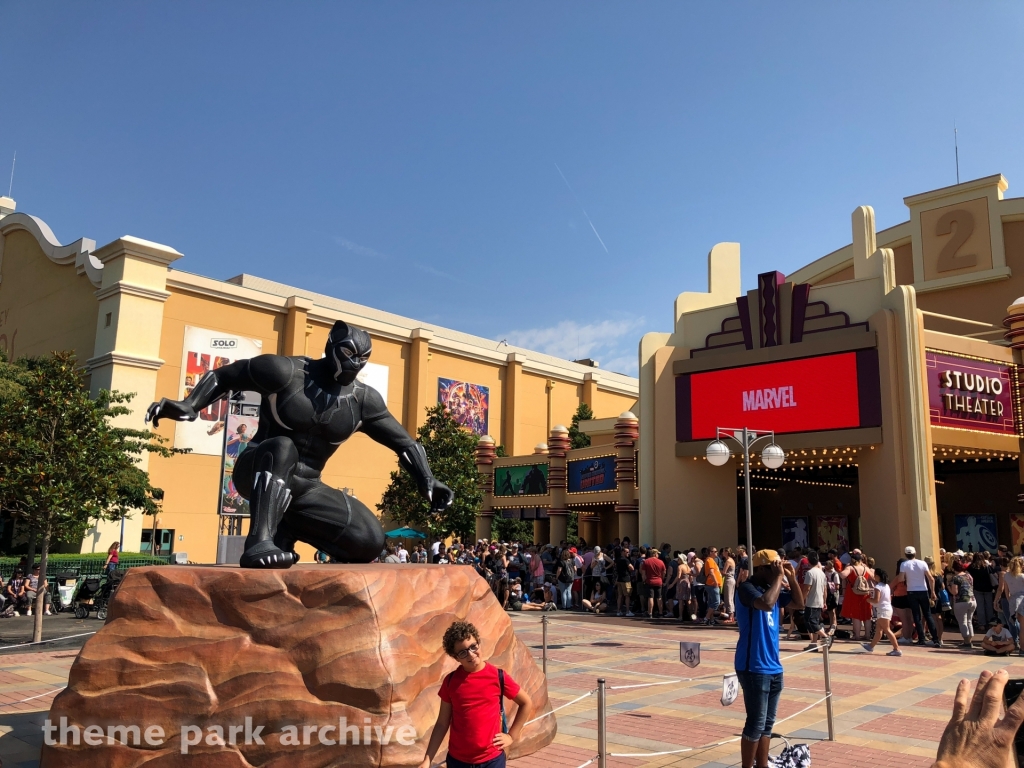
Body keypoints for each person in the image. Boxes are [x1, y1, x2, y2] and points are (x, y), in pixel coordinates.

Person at [419, 621, 533, 768]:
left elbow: (526, 703)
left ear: (479, 643)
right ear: (455, 657)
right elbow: (442, 723)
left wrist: (511, 736)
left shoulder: (498, 676)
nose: (471, 654)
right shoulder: (451, 681)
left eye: (473, 646)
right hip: (458, 761)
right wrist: (427, 759)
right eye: (463, 652)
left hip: (492, 760)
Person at [734, 549, 805, 768]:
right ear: (762, 568)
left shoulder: (770, 587)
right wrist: (778, 579)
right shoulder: (746, 588)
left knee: (767, 724)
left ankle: (762, 765)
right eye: (774, 566)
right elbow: (766, 603)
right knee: (755, 723)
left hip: (773, 665)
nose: (779, 570)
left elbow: (799, 603)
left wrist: (791, 578)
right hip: (753, 665)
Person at [896, 546, 940, 648]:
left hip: (911, 591)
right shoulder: (923, 563)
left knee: (916, 615)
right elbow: (931, 579)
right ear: (915, 553)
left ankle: (921, 639)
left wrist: (907, 577)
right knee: (928, 615)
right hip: (923, 591)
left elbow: (901, 579)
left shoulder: (904, 564)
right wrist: (932, 592)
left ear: (906, 554)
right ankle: (935, 639)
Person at [862, 569, 901, 656]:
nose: (874, 576)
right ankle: (870, 646)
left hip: (882, 610)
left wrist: (868, 600)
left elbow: (876, 600)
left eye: (875, 575)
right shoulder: (886, 586)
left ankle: (896, 649)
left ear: (878, 576)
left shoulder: (878, 587)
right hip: (886, 609)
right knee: (879, 630)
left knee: (886, 629)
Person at [839, 551, 874, 641]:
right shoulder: (865, 568)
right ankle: (867, 635)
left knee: (856, 615)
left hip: (853, 592)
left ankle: (857, 636)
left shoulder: (851, 568)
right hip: (865, 593)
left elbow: (842, 575)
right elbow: (873, 577)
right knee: (867, 615)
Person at [800, 551, 828, 651]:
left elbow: (807, 588)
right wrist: (824, 601)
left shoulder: (810, 573)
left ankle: (825, 636)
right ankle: (814, 644)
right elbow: (825, 589)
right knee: (815, 621)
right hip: (819, 601)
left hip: (812, 601)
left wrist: (802, 599)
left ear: (808, 561)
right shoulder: (822, 573)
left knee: (809, 622)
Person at [948, 560, 977, 649]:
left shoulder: (955, 578)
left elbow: (954, 592)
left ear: (954, 568)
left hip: (961, 601)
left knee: (962, 622)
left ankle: (967, 642)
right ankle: (969, 640)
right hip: (972, 600)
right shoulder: (969, 576)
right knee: (969, 621)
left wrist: (948, 587)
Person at [968, 552, 996, 630]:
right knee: (989, 606)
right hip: (988, 588)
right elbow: (993, 575)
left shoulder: (971, 567)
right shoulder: (987, 566)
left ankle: (982, 624)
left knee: (980, 606)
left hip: (977, 588)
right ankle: (990, 623)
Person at [641, 546, 666, 619]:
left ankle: (650, 613)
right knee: (659, 597)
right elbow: (664, 572)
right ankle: (660, 613)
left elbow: (643, 573)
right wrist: (662, 578)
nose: (658, 555)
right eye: (657, 554)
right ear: (655, 554)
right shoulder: (661, 562)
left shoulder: (646, 561)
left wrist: (644, 580)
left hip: (649, 581)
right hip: (658, 581)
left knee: (650, 597)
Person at [614, 546, 635, 617]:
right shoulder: (625, 560)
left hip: (619, 579)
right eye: (627, 552)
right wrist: (630, 570)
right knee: (627, 596)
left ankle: (618, 611)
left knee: (620, 596)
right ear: (622, 552)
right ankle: (627, 611)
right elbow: (631, 567)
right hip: (626, 579)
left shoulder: (618, 559)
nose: (628, 553)